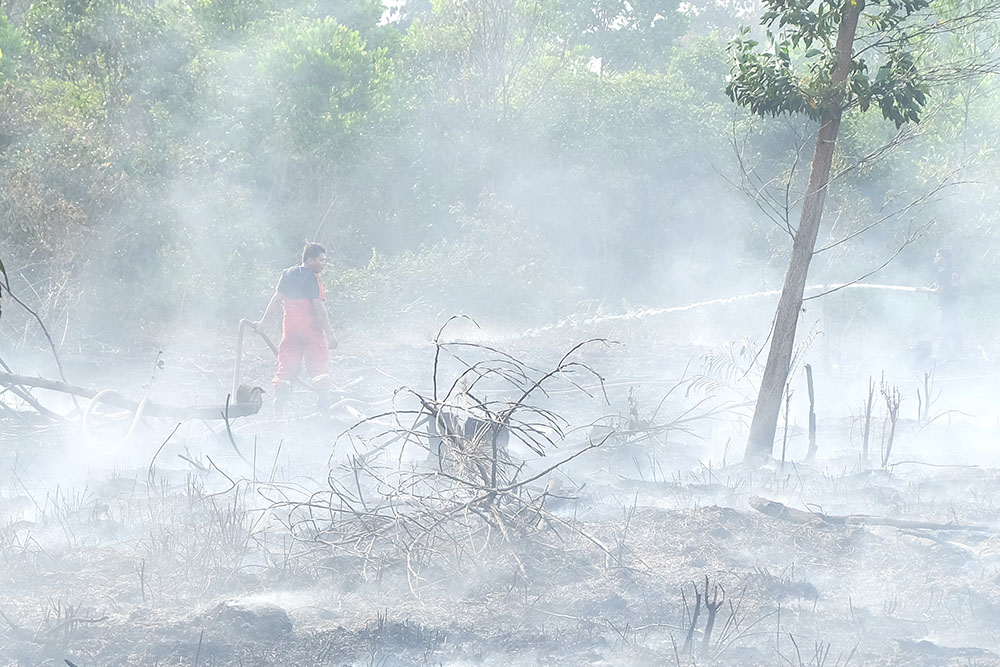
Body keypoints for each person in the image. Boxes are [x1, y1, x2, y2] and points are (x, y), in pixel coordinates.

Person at [253, 242, 337, 416]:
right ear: (310, 260)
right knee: (318, 367)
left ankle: (279, 411)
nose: (324, 263)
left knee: (286, 367)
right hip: (310, 331)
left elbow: (276, 301)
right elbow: (319, 309)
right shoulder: (313, 278)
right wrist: (330, 335)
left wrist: (263, 324)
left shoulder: (287, 274)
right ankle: (324, 412)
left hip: (290, 331)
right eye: (321, 260)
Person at [930, 248, 962, 357]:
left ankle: (942, 355)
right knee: (954, 327)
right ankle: (958, 351)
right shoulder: (954, 269)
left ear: (944, 258)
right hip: (955, 303)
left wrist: (929, 290)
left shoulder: (942, 272)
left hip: (946, 305)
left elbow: (940, 290)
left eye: (938, 256)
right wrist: (936, 286)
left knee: (943, 328)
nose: (936, 258)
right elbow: (951, 285)